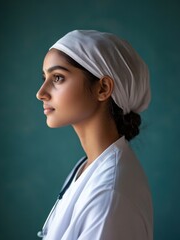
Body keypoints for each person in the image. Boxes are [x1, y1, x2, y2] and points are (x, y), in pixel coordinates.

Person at [36, 30, 153, 240]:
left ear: (103, 88)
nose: (41, 92)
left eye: (58, 78)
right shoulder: (86, 166)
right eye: (44, 77)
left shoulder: (109, 195)